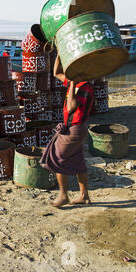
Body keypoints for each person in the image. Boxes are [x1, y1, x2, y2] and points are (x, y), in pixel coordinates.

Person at [40, 55, 95, 208]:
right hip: (75, 129)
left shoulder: (85, 87)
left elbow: (71, 107)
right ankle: (84, 196)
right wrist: (59, 54)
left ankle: (63, 195)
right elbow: (56, 73)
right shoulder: (77, 84)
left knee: (57, 159)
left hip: (75, 129)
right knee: (77, 161)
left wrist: (71, 84)